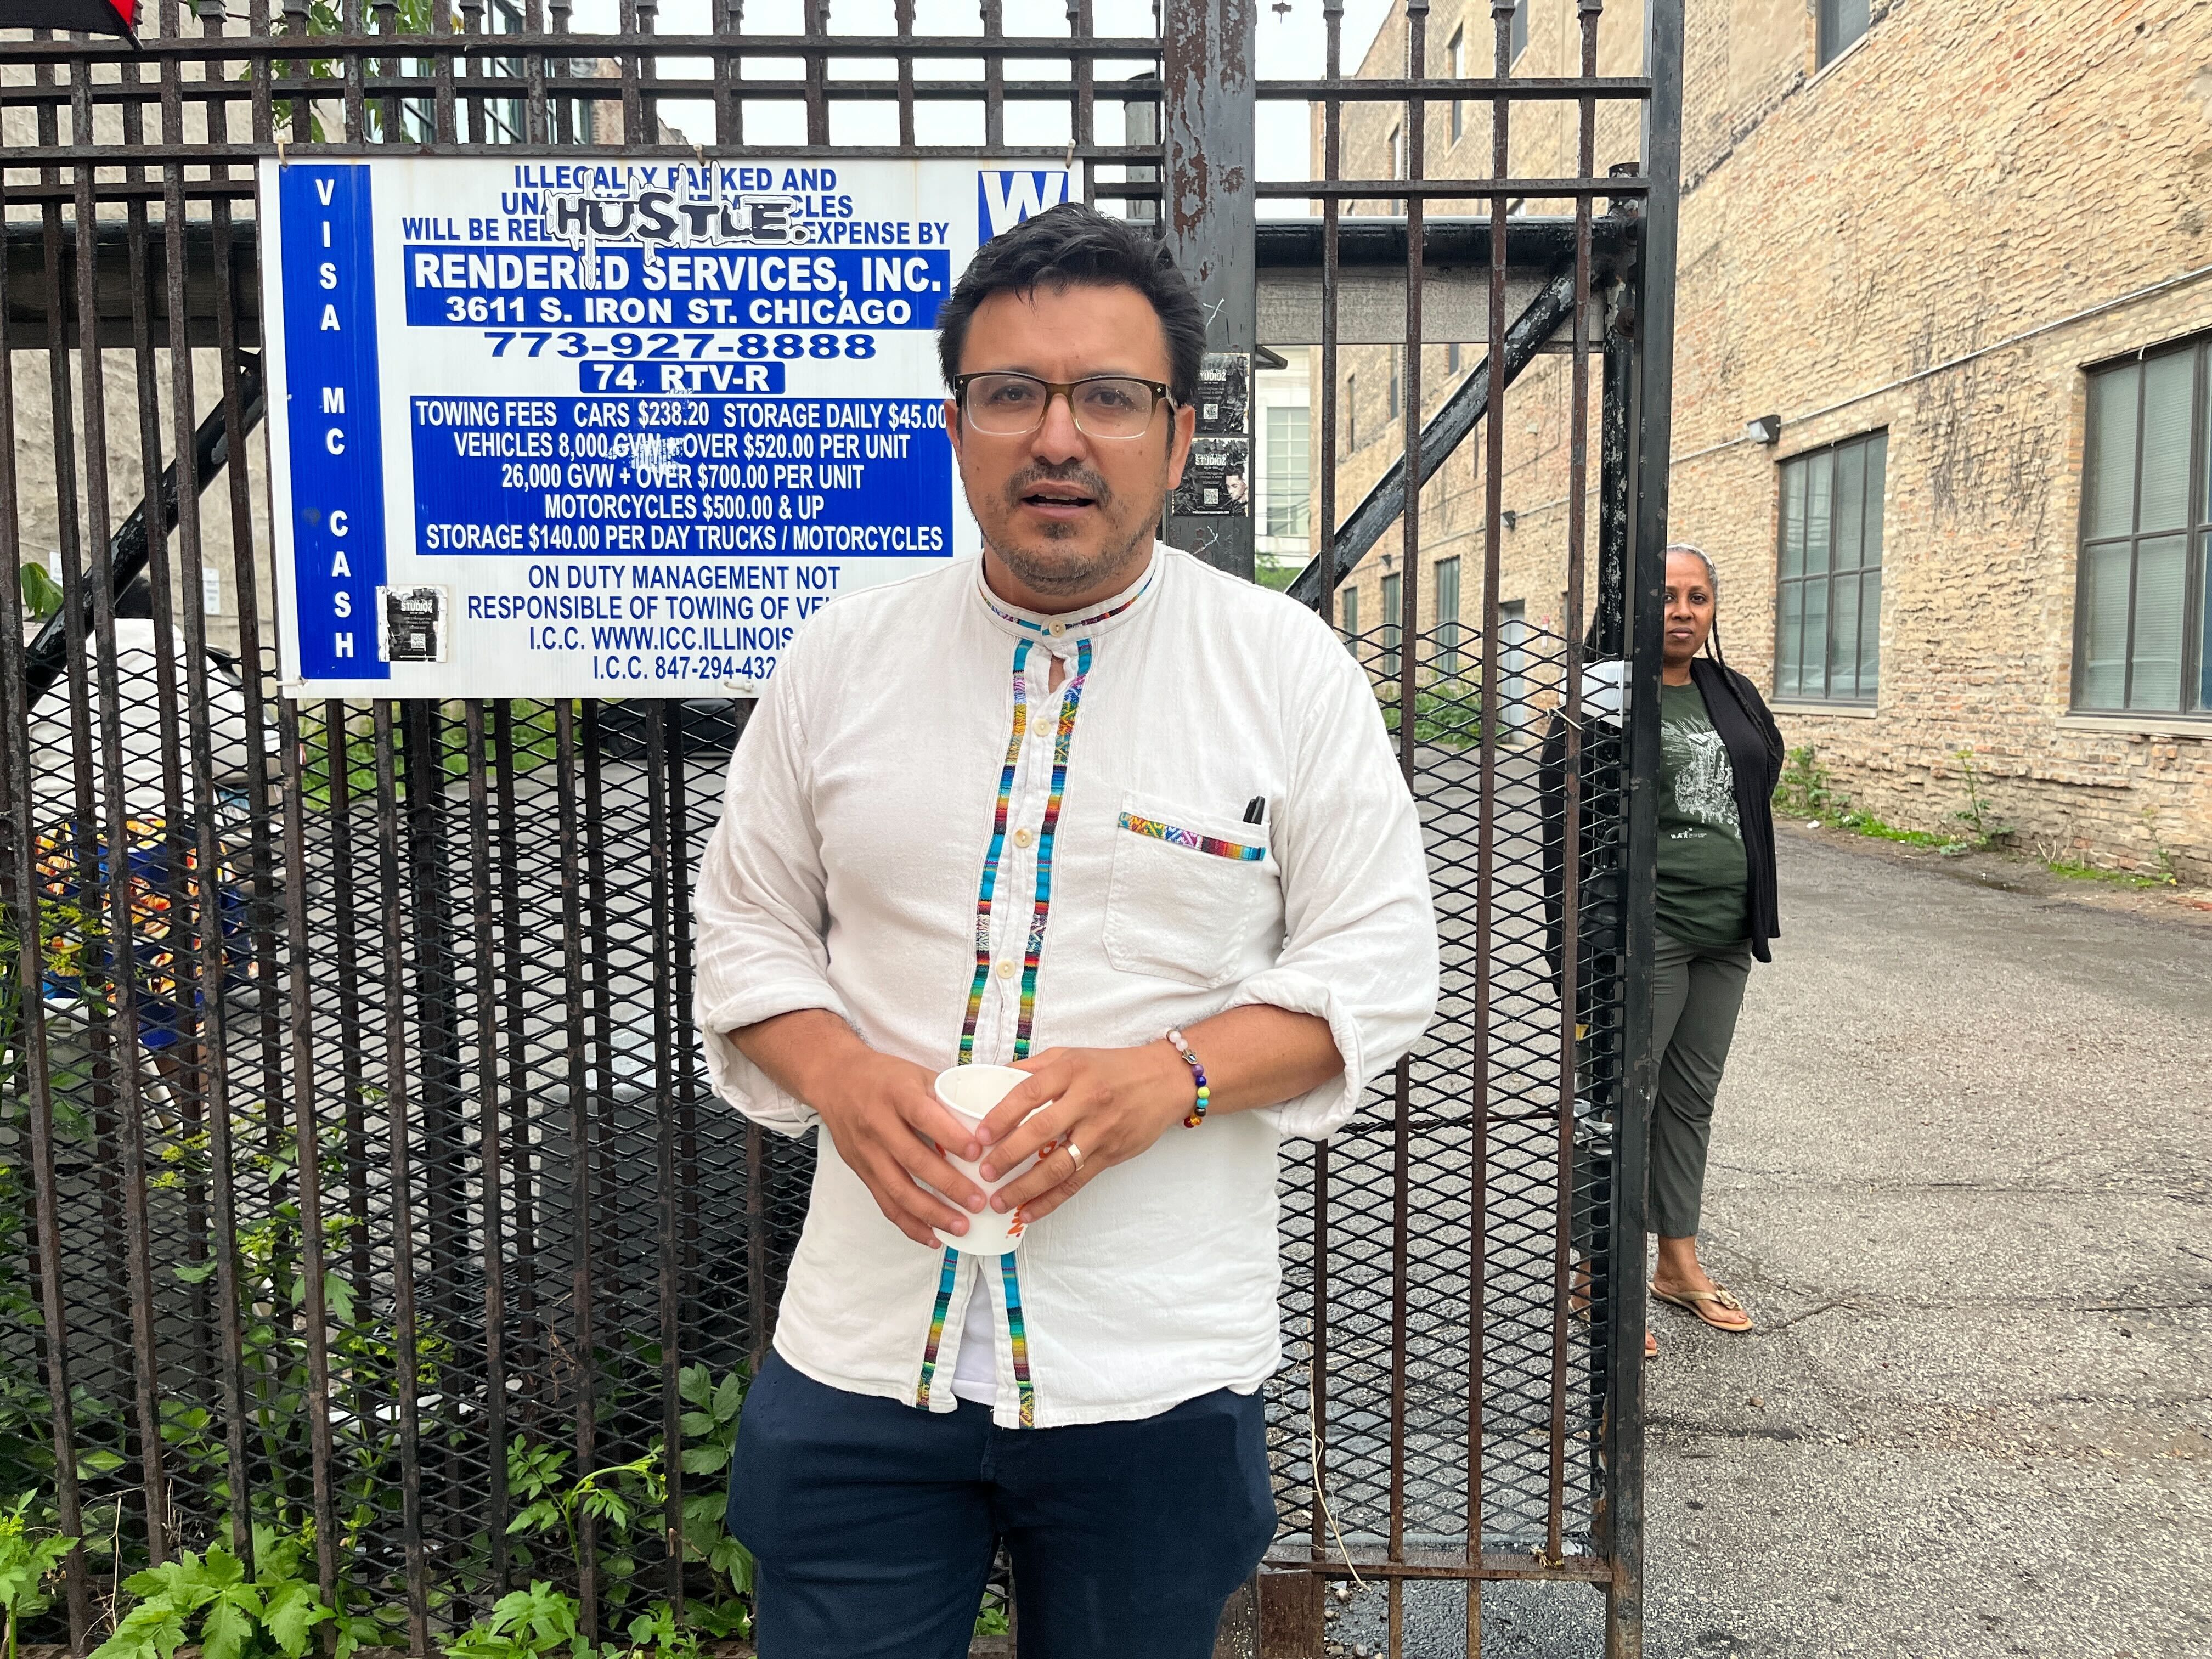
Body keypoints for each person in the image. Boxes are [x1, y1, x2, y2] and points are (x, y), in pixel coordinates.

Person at [691, 203, 1437, 1659]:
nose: (1057, 435)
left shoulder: (1282, 669)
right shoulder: (842, 658)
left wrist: (1174, 1074)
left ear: (1176, 430)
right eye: (1011, 393)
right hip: (859, 1353)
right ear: (956, 422)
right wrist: (843, 1079)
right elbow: (745, 925)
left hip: (1152, 1367)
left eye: (1108, 396)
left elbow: (1380, 959)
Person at [1641, 544, 1785, 1336]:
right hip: (1650, 931)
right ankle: (1599, 1273)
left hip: (1727, 929)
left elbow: (1767, 764)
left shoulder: (1729, 689)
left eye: (1697, 597)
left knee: (1691, 1099)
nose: (1683, 611)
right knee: (1625, 1099)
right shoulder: (1610, 691)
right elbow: (1574, 804)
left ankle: (1676, 1261)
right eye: (1666, 595)